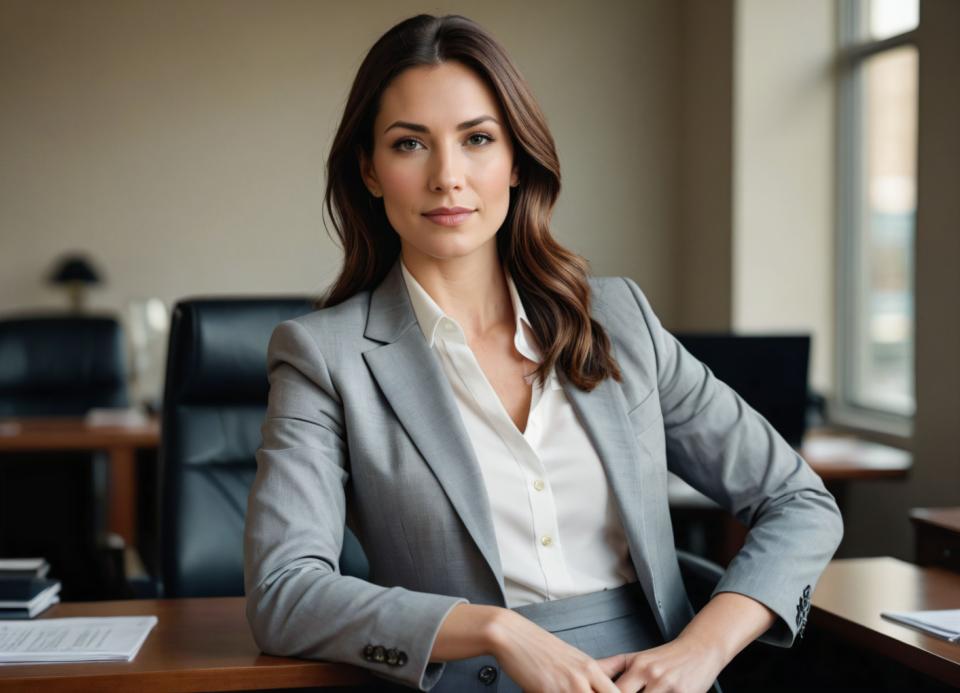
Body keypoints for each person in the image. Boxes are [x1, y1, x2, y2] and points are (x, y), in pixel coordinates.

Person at [243, 13, 843, 693]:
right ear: (370, 171)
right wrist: (497, 627)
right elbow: (284, 593)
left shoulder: (619, 319)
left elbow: (798, 500)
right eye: (410, 144)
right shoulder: (325, 356)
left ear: (516, 160)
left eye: (477, 139)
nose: (448, 177)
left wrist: (701, 648)